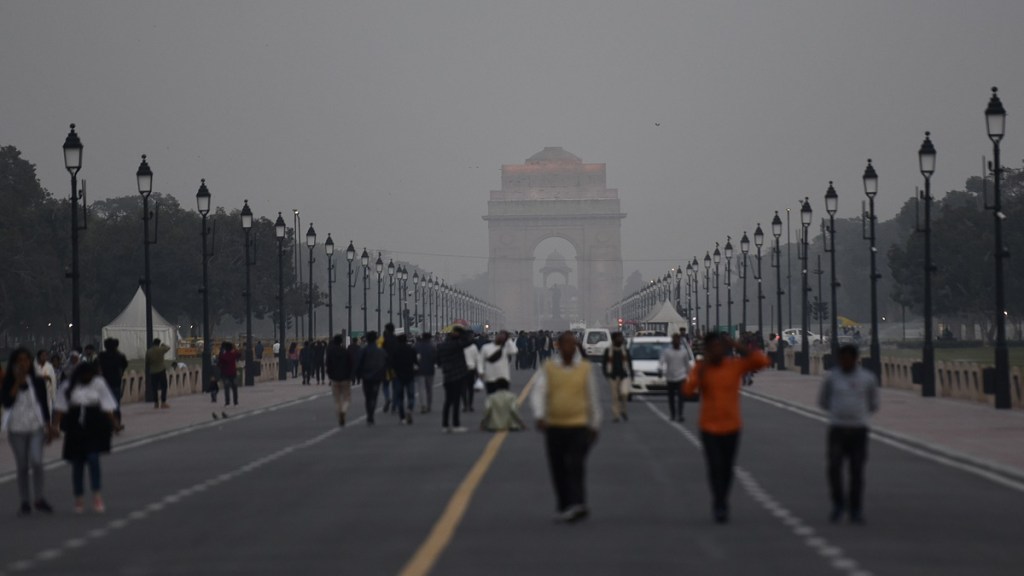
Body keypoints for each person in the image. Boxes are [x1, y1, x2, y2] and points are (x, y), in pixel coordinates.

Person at [684, 333, 770, 523]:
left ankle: (723, 498)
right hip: (708, 427)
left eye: (719, 346)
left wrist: (738, 346)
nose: (716, 350)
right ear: (707, 350)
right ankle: (719, 502)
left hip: (732, 426)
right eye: (712, 347)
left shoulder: (734, 366)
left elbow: (762, 361)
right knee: (715, 466)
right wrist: (699, 373)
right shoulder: (701, 368)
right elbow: (687, 391)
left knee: (727, 467)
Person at [530, 331, 602, 523]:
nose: (570, 347)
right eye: (566, 344)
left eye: (573, 344)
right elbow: (539, 393)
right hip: (555, 425)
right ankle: (564, 505)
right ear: (559, 346)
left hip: (578, 425)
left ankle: (578, 503)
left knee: (576, 464)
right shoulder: (549, 368)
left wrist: (595, 423)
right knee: (558, 467)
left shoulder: (584, 369)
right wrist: (539, 415)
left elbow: (592, 396)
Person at [818, 344, 879, 524]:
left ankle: (855, 509)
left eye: (848, 358)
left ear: (855, 359)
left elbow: (873, 403)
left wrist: (857, 415)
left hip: (858, 430)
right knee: (834, 469)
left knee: (857, 471)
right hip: (837, 429)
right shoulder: (831, 378)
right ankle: (838, 504)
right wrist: (838, 413)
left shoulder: (867, 378)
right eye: (842, 359)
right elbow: (823, 401)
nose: (845, 362)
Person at [52, 361, 117, 514]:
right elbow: (60, 407)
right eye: (85, 375)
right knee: (77, 463)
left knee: (93, 459)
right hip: (75, 426)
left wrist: (114, 422)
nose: (88, 378)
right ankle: (79, 497)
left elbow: (107, 404)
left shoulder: (98, 383)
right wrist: (55, 426)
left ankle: (97, 494)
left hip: (94, 425)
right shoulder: (68, 385)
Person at [2, 348, 54, 516]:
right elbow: (7, 402)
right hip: (16, 429)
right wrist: (17, 381)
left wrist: (49, 426)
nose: (23, 363)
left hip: (35, 427)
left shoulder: (37, 382)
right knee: (22, 465)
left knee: (37, 461)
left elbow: (44, 405)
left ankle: (39, 498)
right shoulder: (8, 382)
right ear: (14, 363)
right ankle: (25, 500)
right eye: (19, 360)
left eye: (26, 360)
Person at [436, 327, 472, 433]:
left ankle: (445, 424)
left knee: (448, 401)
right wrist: (462, 332)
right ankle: (456, 424)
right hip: (458, 375)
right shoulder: (457, 345)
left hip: (447, 376)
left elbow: (438, 362)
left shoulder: (441, 346)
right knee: (456, 401)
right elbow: (469, 342)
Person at [355, 331, 388, 426]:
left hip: (366, 377)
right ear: (376, 339)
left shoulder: (363, 350)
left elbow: (358, 363)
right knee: (374, 396)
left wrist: (358, 375)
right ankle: (371, 414)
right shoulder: (381, 351)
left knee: (368, 397)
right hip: (377, 377)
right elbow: (385, 364)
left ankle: (369, 414)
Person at [601, 333, 634, 423]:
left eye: (621, 338)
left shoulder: (625, 350)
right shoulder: (608, 351)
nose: (620, 340)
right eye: (618, 338)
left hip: (624, 376)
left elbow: (629, 363)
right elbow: (604, 363)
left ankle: (623, 410)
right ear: (614, 340)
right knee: (615, 397)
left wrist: (632, 374)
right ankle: (616, 415)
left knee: (624, 393)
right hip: (613, 377)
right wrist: (606, 374)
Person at [96, 339, 128, 432]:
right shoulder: (119, 356)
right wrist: (121, 372)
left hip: (104, 383)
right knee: (116, 405)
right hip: (116, 382)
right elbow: (125, 364)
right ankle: (117, 423)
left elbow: (96, 366)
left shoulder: (102, 356)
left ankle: (106, 423)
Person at [659, 333, 691, 422]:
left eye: (678, 340)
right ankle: (673, 414)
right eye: (675, 340)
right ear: (672, 342)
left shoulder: (684, 352)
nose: (676, 342)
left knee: (681, 397)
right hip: (670, 377)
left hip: (681, 377)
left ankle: (680, 414)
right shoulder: (667, 352)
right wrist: (660, 369)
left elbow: (687, 364)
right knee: (671, 398)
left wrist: (689, 374)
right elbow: (662, 361)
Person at [390, 334, 419, 425]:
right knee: (411, 396)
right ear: (406, 340)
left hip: (398, 376)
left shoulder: (395, 351)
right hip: (409, 375)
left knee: (400, 397)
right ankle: (409, 408)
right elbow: (416, 362)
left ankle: (402, 417)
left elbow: (392, 364)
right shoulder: (411, 350)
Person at [326, 334, 354, 427]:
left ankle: (340, 414)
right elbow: (350, 364)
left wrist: (330, 375)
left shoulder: (330, 352)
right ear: (341, 342)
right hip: (345, 378)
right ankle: (344, 410)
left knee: (337, 400)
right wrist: (350, 376)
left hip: (335, 378)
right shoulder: (345, 352)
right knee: (346, 398)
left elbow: (328, 365)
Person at [478, 331, 518, 395]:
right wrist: (480, 371)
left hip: (503, 377)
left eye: (503, 337)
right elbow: (480, 361)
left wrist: (508, 340)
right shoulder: (486, 347)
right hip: (490, 378)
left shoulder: (505, 348)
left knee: (503, 397)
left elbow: (514, 351)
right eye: (500, 335)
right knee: (492, 396)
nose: (501, 338)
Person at [415, 333, 437, 413]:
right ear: (430, 338)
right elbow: (435, 358)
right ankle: (429, 405)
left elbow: (414, 357)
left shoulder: (417, 346)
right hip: (430, 370)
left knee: (421, 389)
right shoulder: (432, 346)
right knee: (429, 389)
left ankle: (423, 405)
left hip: (419, 370)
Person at [146, 339, 171, 409]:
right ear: (159, 343)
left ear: (153, 343)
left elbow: (147, 362)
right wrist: (163, 345)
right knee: (164, 386)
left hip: (153, 371)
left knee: (154, 388)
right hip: (161, 370)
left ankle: (156, 403)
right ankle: (163, 402)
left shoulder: (149, 351)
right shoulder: (161, 349)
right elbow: (168, 347)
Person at [217, 342, 241, 414]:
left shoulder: (223, 356)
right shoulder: (233, 355)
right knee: (234, 388)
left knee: (226, 389)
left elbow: (219, 361)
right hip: (233, 373)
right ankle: (235, 402)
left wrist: (221, 350)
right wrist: (234, 347)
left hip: (225, 374)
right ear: (231, 349)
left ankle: (227, 403)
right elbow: (239, 354)